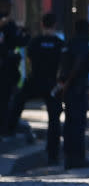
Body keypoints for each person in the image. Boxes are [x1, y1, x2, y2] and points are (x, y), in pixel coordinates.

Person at [23, 13, 65, 164]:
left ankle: (8, 129)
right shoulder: (59, 43)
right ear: (55, 25)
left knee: (17, 102)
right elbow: (63, 65)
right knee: (54, 120)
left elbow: (29, 60)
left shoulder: (35, 42)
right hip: (52, 84)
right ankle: (53, 155)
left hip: (35, 82)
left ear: (42, 24)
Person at [57, 19, 89, 169]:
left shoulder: (69, 43)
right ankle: (78, 158)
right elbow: (79, 64)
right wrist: (67, 83)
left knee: (69, 123)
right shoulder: (82, 45)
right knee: (78, 125)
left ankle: (69, 157)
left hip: (70, 90)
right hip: (77, 89)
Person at [0, 0, 30, 136]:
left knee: (7, 100)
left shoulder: (9, 23)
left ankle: (6, 128)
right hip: (5, 68)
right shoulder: (6, 24)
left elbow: (20, 41)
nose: (8, 8)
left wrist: (25, 34)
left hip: (9, 70)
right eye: (6, 5)